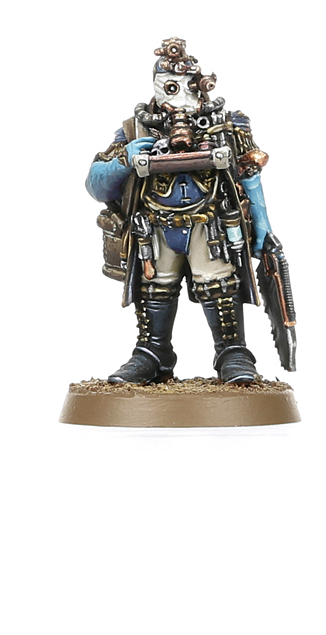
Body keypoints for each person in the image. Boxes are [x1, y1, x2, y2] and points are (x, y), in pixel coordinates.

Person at [86, 38, 275, 386]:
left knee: (218, 282)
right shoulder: (134, 130)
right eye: (170, 87)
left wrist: (262, 223)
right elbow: (96, 184)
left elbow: (250, 170)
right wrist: (124, 160)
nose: (180, 97)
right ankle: (152, 352)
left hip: (212, 223)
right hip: (154, 226)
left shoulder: (227, 126)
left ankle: (232, 351)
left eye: (188, 85)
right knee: (155, 285)